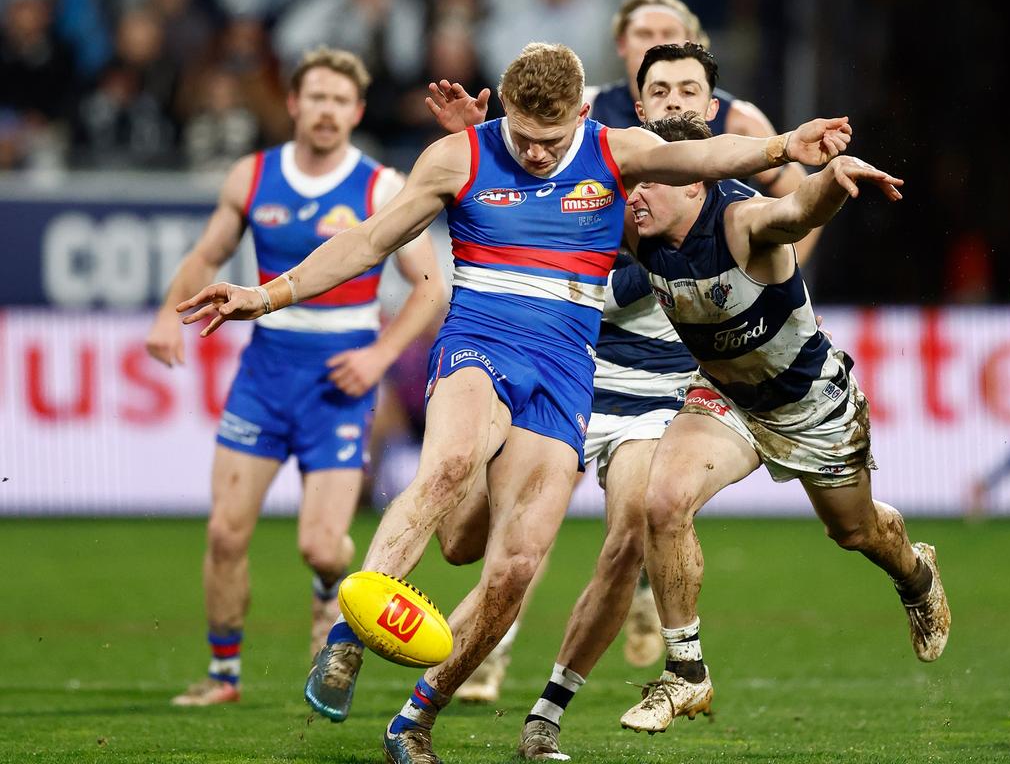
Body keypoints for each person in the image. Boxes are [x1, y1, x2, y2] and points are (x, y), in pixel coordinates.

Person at [176, 42, 852, 762]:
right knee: (451, 461)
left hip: (564, 370)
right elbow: (370, 241)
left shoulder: (615, 150)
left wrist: (788, 145)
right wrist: (264, 294)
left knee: (516, 567)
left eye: (551, 141)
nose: (534, 154)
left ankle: (414, 721)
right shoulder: (458, 156)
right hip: (479, 339)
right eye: (522, 137)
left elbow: (709, 159)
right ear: (502, 109)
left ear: (583, 116)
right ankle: (346, 642)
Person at [616, 112, 950, 735]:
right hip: (726, 400)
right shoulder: (637, 229)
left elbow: (795, 212)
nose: (633, 194)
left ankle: (916, 572)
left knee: (855, 533)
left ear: (694, 183)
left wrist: (832, 177)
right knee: (662, 502)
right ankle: (686, 674)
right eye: (633, 181)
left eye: (650, 181)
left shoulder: (741, 223)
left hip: (809, 404)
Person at [145, 47, 444, 707]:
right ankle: (223, 676)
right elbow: (207, 255)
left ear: (357, 111)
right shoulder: (253, 176)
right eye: (317, 98)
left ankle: (324, 595)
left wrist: (377, 358)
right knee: (225, 533)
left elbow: (431, 290)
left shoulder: (380, 188)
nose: (328, 111)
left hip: (339, 381)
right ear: (294, 104)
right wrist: (171, 315)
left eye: (341, 100)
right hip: (266, 370)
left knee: (318, 546)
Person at [589, 0, 823, 262]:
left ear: (690, 41)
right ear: (621, 44)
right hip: (628, 283)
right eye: (643, 34)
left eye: (668, 34)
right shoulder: (589, 108)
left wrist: (779, 276)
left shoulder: (739, 118)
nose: (655, 42)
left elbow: (805, 199)